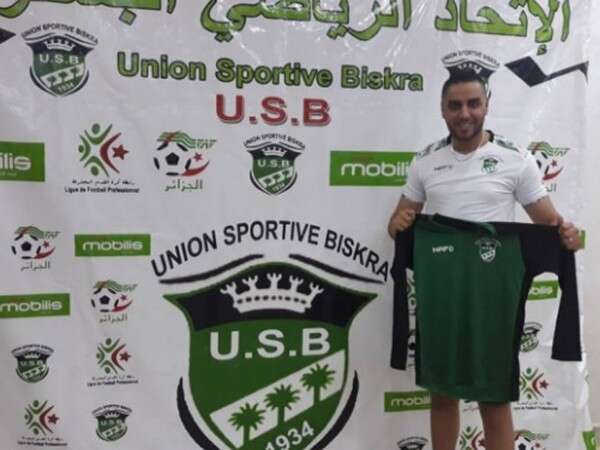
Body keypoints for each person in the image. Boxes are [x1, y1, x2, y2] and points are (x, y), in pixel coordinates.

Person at [387, 70, 582, 450]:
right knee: (442, 393)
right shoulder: (425, 162)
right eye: (455, 105)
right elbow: (399, 223)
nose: (465, 113)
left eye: (473, 103)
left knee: (494, 397)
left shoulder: (515, 160)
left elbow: (549, 224)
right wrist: (397, 225)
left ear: (487, 105)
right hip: (442, 290)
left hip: (493, 294)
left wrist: (567, 235)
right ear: (442, 109)